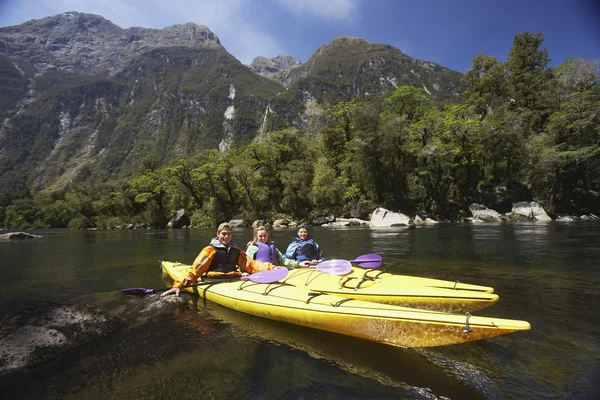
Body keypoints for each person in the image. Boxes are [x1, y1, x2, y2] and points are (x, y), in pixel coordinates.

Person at [161, 223, 277, 297]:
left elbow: (252, 265)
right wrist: (179, 285)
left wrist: (272, 268)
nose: (226, 237)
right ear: (218, 234)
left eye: (229, 234)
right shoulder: (209, 250)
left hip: (234, 279)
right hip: (215, 280)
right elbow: (195, 269)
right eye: (224, 234)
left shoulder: (236, 250)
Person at [246, 225, 310, 269]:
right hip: (260, 272)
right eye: (260, 236)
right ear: (256, 236)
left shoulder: (271, 247)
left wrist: (299, 263)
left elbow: (283, 260)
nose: (263, 238)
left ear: (268, 235)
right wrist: (245, 272)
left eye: (265, 235)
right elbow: (246, 263)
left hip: (275, 271)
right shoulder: (252, 248)